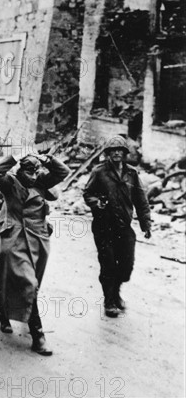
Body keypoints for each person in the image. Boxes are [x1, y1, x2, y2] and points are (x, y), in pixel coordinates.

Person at [0, 152, 69, 356]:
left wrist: (48, 160)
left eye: (35, 171)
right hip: (16, 238)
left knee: (32, 284)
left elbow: (64, 172)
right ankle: (38, 336)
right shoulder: (10, 184)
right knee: (29, 284)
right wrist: (14, 156)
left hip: (39, 238)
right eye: (28, 170)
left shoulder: (42, 182)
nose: (32, 175)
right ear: (19, 170)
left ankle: (4, 311)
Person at [83, 136, 152, 318]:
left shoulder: (132, 173)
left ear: (124, 153)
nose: (116, 153)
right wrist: (97, 203)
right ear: (107, 153)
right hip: (104, 227)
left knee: (127, 265)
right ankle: (109, 300)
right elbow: (87, 193)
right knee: (108, 265)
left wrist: (146, 223)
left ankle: (116, 291)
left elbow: (141, 199)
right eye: (112, 150)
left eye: (119, 150)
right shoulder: (99, 172)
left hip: (124, 227)